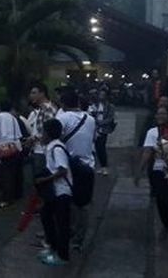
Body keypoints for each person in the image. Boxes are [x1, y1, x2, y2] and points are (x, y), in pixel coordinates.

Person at [57, 91, 96, 252]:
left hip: (69, 166)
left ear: (64, 104)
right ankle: (79, 240)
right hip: (88, 166)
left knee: (65, 201)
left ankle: (66, 233)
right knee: (82, 205)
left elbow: (55, 139)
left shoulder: (62, 118)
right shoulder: (91, 119)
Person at [34, 118, 72, 266]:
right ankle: (54, 248)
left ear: (49, 133)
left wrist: (44, 180)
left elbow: (62, 170)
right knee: (46, 216)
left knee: (61, 223)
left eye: (43, 132)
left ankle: (62, 255)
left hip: (62, 191)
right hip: (55, 192)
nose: (42, 135)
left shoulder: (56, 148)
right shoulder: (51, 146)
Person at [136, 106, 168, 240]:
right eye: (158, 114)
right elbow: (147, 152)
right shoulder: (152, 132)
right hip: (158, 172)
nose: (160, 116)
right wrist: (140, 170)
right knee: (161, 201)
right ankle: (166, 224)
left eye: (163, 114)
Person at [0, 103, 24, 207]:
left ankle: (6, 198)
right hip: (15, 147)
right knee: (13, 173)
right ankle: (15, 195)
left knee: (5, 175)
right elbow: (18, 135)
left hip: (4, 147)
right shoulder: (14, 118)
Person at [27, 82, 57, 175]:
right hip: (39, 149)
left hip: (43, 150)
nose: (31, 96)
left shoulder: (47, 109)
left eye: (34, 93)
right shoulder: (42, 109)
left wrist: (33, 138)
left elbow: (48, 131)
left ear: (42, 93)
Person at [90, 90, 116, 176]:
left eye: (103, 95)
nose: (101, 96)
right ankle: (101, 166)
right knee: (96, 148)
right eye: (100, 94)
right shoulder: (95, 105)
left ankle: (105, 167)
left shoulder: (110, 107)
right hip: (95, 129)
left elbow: (110, 118)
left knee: (101, 148)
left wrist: (100, 122)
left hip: (104, 129)